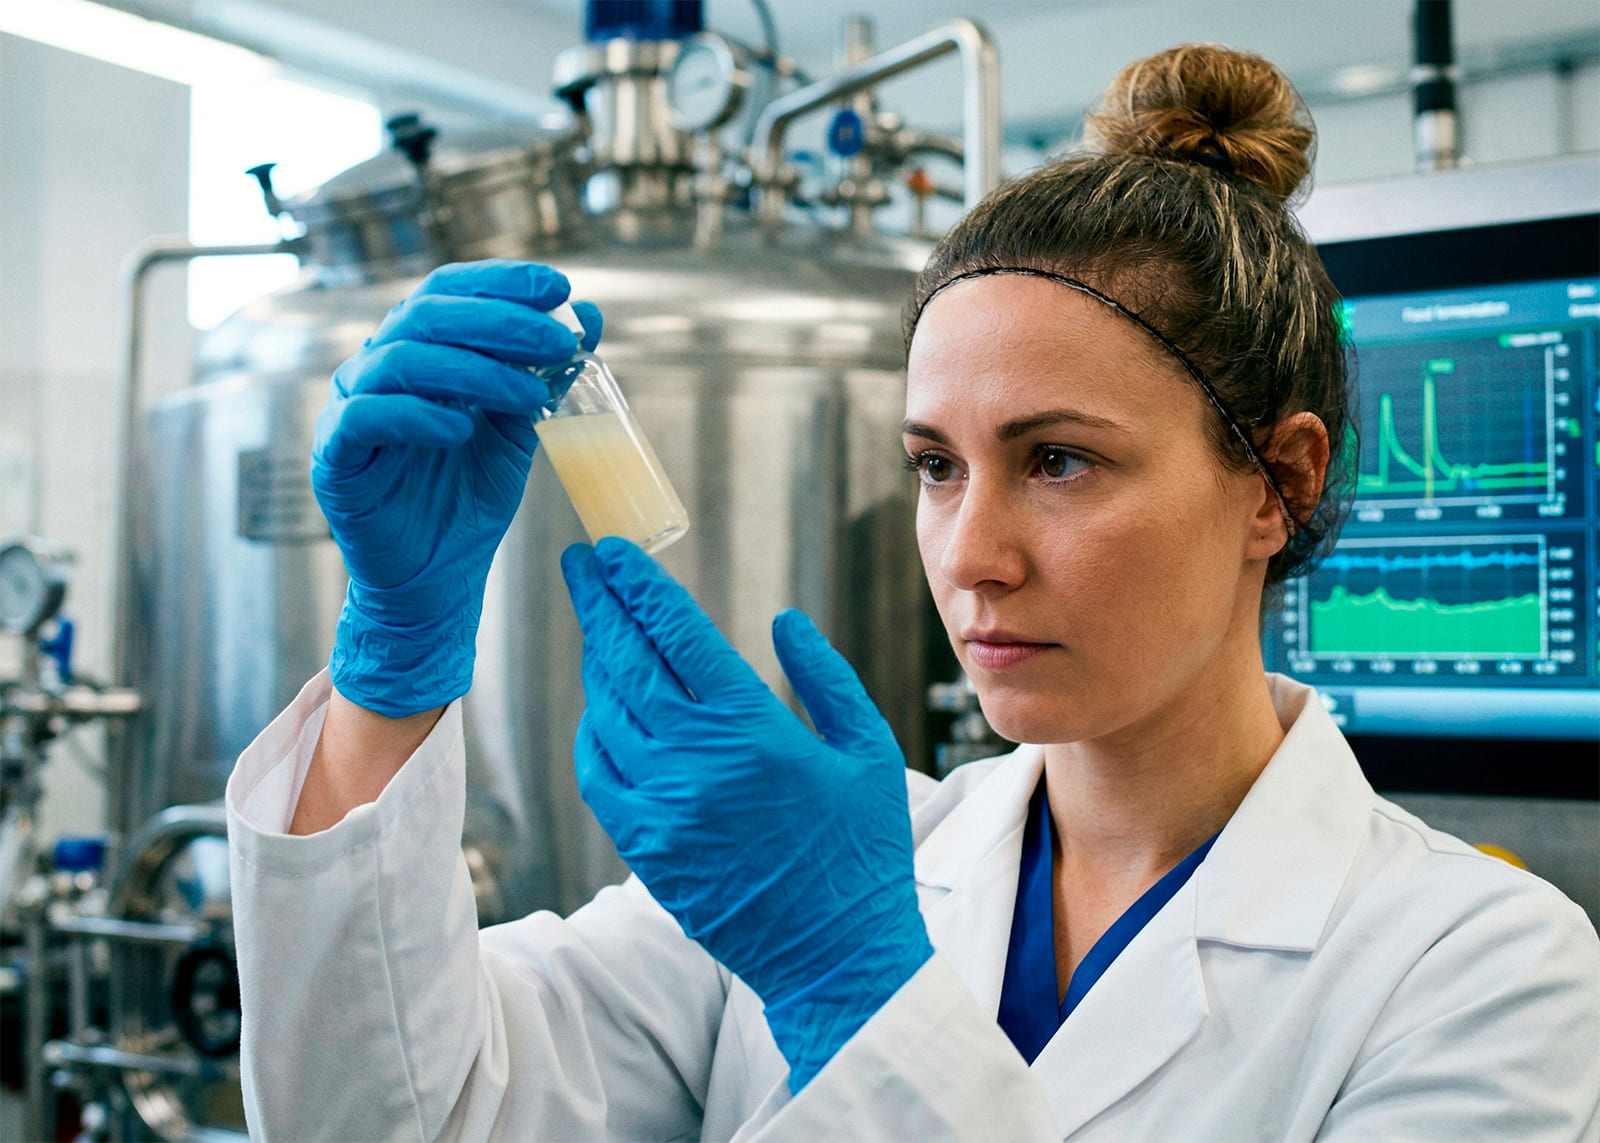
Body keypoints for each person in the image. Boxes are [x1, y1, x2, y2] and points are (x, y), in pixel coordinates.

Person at [226, 44, 1600, 1141]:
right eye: (938, 466)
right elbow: (389, 1117)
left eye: (1060, 461)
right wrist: (391, 667)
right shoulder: (838, 861)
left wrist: (855, 991)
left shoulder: (1474, 971)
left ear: (1276, 485)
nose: (970, 554)